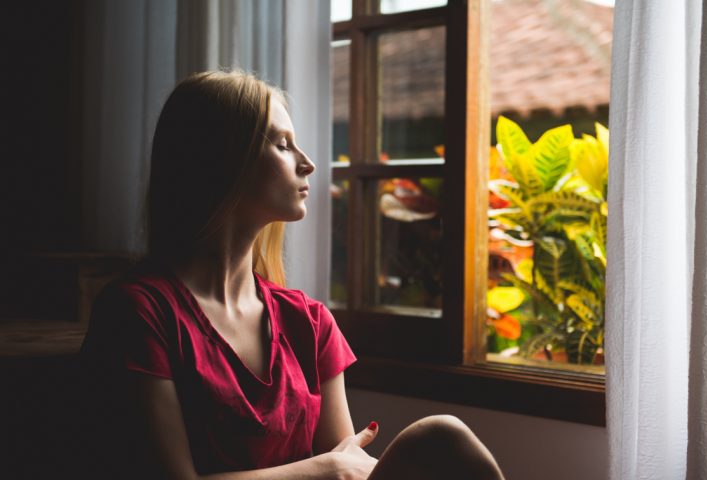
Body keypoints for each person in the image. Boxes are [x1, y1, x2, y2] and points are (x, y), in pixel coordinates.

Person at [80, 70, 505, 480]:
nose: (308, 164)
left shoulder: (308, 321)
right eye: (283, 145)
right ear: (221, 159)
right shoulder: (139, 312)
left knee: (443, 437)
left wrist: (336, 468)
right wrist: (324, 468)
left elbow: (349, 469)